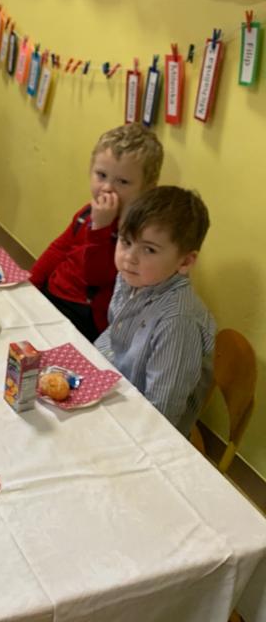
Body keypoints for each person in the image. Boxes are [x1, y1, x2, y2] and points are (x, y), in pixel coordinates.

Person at [95, 186, 216, 435]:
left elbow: (162, 413)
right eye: (126, 241)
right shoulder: (133, 277)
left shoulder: (176, 322)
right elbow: (114, 339)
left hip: (139, 425)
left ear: (185, 261)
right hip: (112, 385)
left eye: (148, 249)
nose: (129, 257)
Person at [30, 123, 163, 341]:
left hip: (85, 313)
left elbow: (96, 277)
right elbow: (59, 248)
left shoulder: (136, 234)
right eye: (101, 175)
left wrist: (101, 228)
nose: (107, 187)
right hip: (54, 290)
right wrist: (31, 282)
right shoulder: (88, 211)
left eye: (122, 182)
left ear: (147, 188)